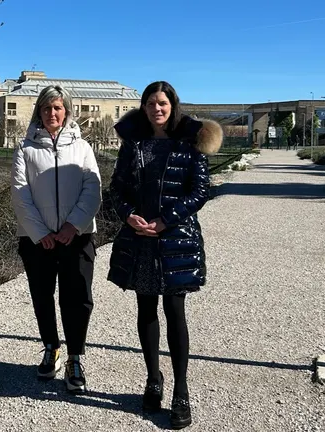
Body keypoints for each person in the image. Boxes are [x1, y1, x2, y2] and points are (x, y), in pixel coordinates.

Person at [107, 81, 222, 428]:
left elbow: (200, 190)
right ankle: (153, 379)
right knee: (146, 309)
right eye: (151, 103)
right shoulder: (134, 143)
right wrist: (129, 215)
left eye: (163, 102)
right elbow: (117, 187)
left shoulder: (191, 140)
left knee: (175, 311)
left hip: (176, 240)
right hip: (140, 239)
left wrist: (166, 220)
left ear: (173, 105)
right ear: (143, 107)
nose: (157, 108)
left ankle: (181, 392)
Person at [11, 85, 102, 394]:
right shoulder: (25, 148)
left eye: (58, 108)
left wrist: (72, 226)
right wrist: (41, 233)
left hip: (77, 238)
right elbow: (20, 194)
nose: (53, 113)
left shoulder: (83, 148)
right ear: (40, 111)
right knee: (42, 295)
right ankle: (51, 346)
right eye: (47, 108)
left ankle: (76, 355)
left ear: (67, 111)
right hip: (38, 240)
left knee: (77, 298)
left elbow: (93, 189)